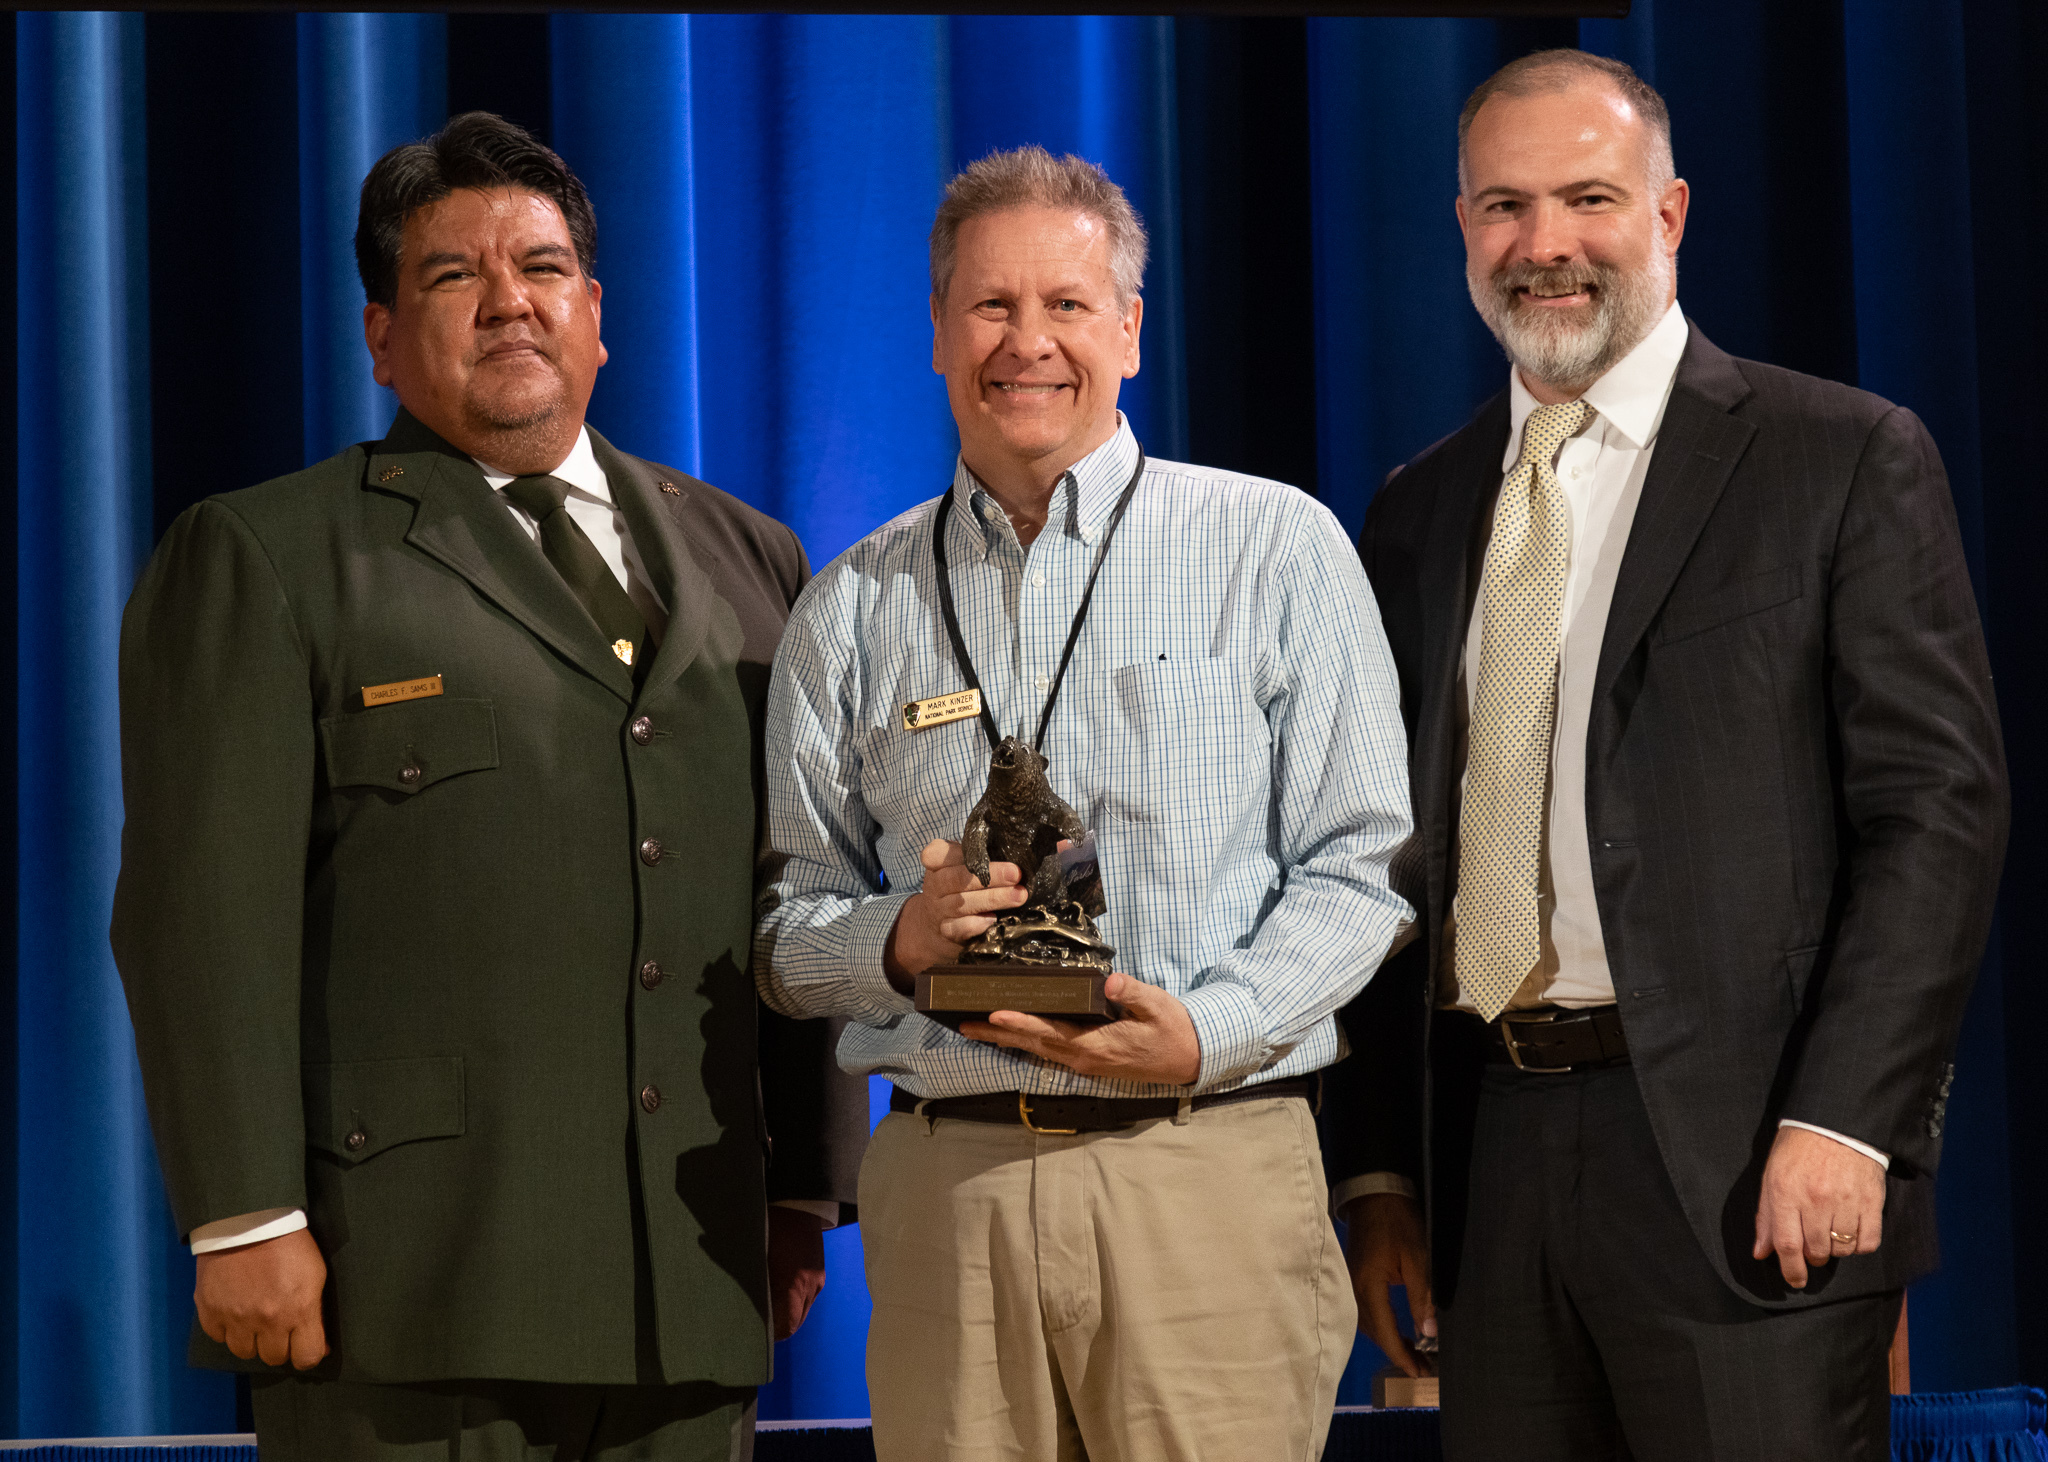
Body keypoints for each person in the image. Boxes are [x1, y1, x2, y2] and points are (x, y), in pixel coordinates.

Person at [112, 112, 865, 1461]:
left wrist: (804, 1179)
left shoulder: (752, 553)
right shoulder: (264, 555)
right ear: (383, 335)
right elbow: (196, 916)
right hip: (403, 1296)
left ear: (596, 316)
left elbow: (800, 878)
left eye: (544, 266)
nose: (510, 299)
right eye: (455, 275)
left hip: (686, 1283)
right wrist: (240, 1214)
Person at [1323, 49, 2008, 1462]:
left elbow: (1937, 814)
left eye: (1588, 197)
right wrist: (1383, 1172)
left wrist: (1846, 1121)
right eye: (1505, 206)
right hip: (1493, 1158)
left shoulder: (1840, 457)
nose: (1547, 244)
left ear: (1671, 213)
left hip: (1750, 1157)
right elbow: (1384, 865)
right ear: (1462, 230)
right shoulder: (1417, 510)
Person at [754, 145, 1413, 1462]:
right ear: (939, 332)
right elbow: (782, 926)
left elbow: (1357, 871)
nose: (1027, 343)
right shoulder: (853, 602)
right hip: (955, 1191)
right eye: (991, 306)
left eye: (1066, 303)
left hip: (1206, 1168)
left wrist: (1207, 1031)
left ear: (1129, 324)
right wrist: (895, 939)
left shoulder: (1278, 547)